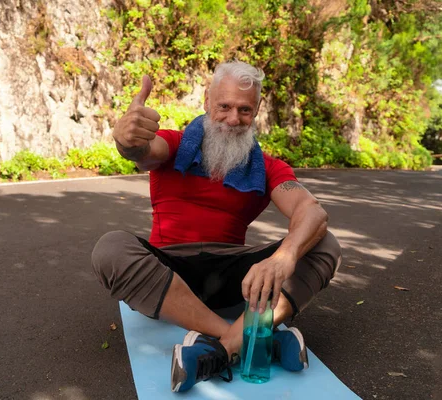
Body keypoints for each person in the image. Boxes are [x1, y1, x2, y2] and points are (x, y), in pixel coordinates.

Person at [92, 61, 342, 393]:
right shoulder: (176, 144)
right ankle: (249, 339)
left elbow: (311, 211)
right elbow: (142, 151)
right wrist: (126, 140)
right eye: (224, 106)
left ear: (257, 110)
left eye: (244, 109)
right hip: (168, 272)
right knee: (110, 249)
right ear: (208, 101)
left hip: (232, 277)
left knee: (325, 244)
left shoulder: (267, 168)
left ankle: (220, 351)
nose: (233, 118)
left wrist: (284, 257)